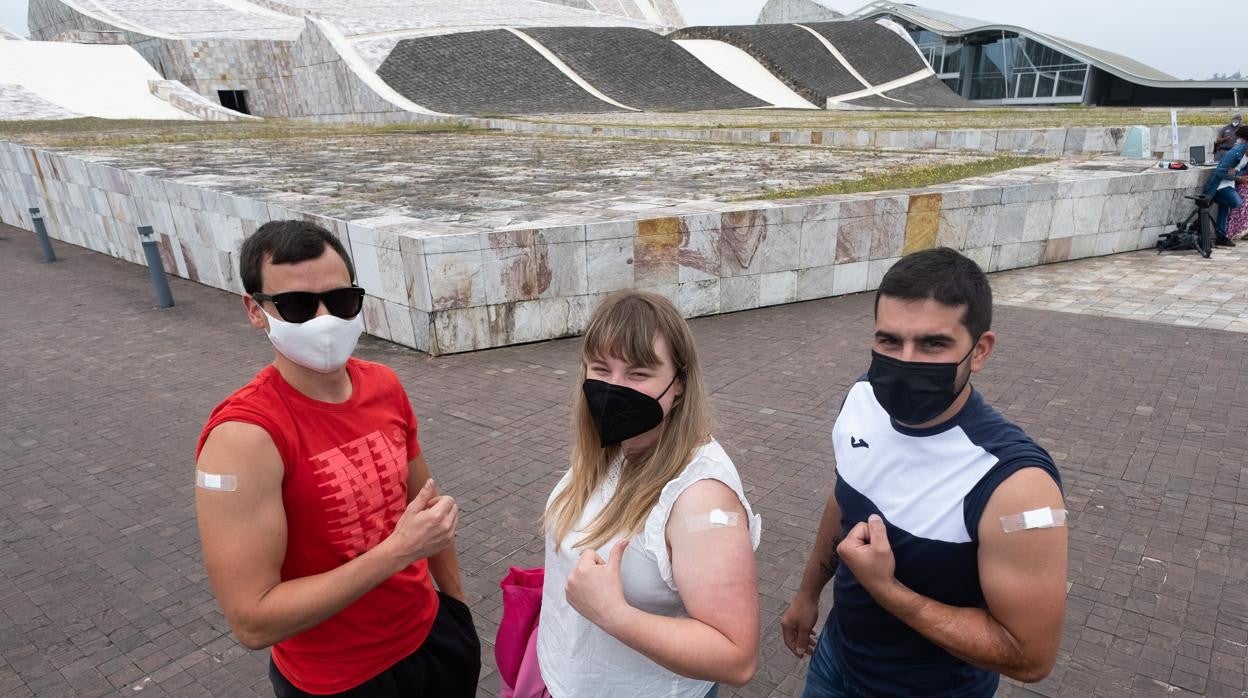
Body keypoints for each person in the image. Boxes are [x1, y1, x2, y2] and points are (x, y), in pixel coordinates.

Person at [194, 220, 480, 697]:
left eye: (342, 300)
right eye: (298, 306)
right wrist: (398, 552)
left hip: (434, 639)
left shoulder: (384, 385)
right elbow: (252, 621)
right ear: (256, 311)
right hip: (338, 681)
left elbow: (426, 510)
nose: (325, 320)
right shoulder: (244, 437)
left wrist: (456, 607)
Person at [781, 248, 1067, 697]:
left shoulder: (1016, 485)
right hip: (834, 662)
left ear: (979, 351)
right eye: (889, 341)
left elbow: (1030, 656)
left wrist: (887, 590)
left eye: (933, 344)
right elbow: (844, 496)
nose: (905, 362)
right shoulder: (862, 400)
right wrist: (808, 593)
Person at [538, 291, 762, 698]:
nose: (613, 389)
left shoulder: (702, 497)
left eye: (638, 374)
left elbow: (736, 658)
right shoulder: (611, 448)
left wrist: (614, 615)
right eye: (601, 369)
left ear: (678, 384)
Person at [1202, 124, 1248, 248]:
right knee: (1237, 202)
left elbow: (1242, 171)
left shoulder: (1246, 153)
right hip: (1220, 184)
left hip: (1230, 183)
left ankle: (1220, 237)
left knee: (1225, 208)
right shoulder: (1235, 152)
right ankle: (1210, 196)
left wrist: (1237, 173)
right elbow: (1220, 171)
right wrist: (1238, 177)